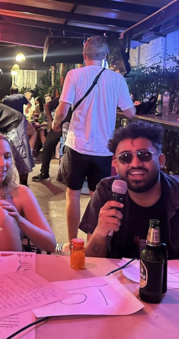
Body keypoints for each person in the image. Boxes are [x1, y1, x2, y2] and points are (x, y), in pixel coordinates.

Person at [80, 121, 179, 260]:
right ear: (116, 165)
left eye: (144, 155)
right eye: (125, 157)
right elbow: (91, 262)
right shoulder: (106, 192)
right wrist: (100, 232)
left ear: (161, 161)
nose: (135, 164)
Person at [52, 36, 135, 251]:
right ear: (105, 55)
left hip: (76, 146)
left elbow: (62, 110)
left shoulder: (74, 75)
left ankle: (72, 245)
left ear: (84, 55)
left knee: (73, 194)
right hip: (104, 150)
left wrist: (55, 123)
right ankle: (95, 246)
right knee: (100, 198)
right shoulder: (116, 79)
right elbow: (130, 113)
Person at [32, 93, 72, 182]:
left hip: (73, 127)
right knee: (47, 146)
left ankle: (70, 175)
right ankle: (44, 173)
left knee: (70, 150)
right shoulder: (64, 96)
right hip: (59, 125)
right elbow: (47, 106)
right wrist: (51, 120)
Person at [2, 86, 37, 154]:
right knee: (33, 133)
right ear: (18, 92)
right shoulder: (21, 96)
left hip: (9, 122)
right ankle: (29, 153)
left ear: (10, 93)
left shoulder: (5, 99)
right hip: (20, 120)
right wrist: (27, 109)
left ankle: (10, 154)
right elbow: (29, 105)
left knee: (10, 138)